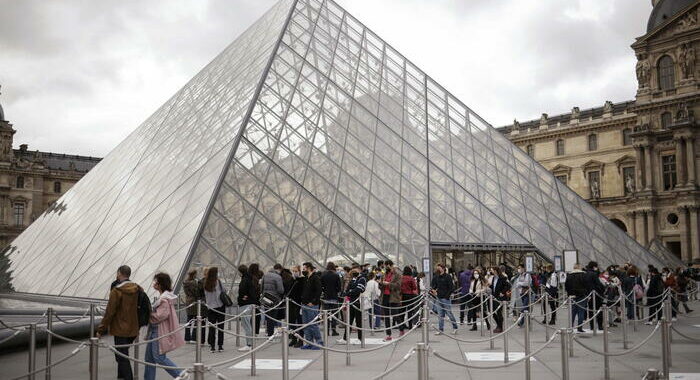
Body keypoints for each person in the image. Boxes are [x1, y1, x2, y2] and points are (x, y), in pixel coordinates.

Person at [97, 265, 141, 380]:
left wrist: (101, 329)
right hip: (133, 328)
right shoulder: (137, 288)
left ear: (119, 273)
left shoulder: (116, 291)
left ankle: (127, 378)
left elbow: (109, 312)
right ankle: (120, 377)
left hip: (120, 329)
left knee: (122, 357)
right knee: (122, 354)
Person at [144, 272, 185, 380]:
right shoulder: (165, 297)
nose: (154, 283)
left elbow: (160, 316)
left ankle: (180, 373)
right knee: (149, 359)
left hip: (158, 330)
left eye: (156, 281)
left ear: (160, 284)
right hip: (155, 330)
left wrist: (148, 314)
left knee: (159, 357)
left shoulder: (164, 299)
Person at [339, 267, 367, 343]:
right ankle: (345, 338)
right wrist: (350, 291)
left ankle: (360, 338)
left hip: (358, 303)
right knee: (349, 321)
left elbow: (359, 290)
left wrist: (350, 292)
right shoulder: (353, 280)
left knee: (359, 321)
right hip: (351, 302)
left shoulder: (362, 279)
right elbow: (348, 289)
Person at [300, 262, 323, 349]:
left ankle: (319, 342)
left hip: (312, 305)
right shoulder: (306, 278)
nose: (303, 270)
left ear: (309, 268)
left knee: (313, 324)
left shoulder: (315, 278)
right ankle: (309, 342)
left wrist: (313, 302)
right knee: (306, 324)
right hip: (304, 304)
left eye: (304, 268)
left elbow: (319, 291)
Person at [237, 264, 259, 352]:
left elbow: (242, 291)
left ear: (240, 272)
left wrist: (243, 297)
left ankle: (249, 344)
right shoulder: (250, 278)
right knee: (248, 324)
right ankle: (250, 343)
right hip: (250, 303)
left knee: (246, 324)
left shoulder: (244, 280)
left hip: (245, 304)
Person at [431, 263, 458, 335]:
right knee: (440, 315)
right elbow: (434, 285)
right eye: (437, 268)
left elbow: (451, 287)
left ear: (443, 268)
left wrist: (447, 296)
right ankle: (440, 329)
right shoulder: (436, 276)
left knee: (449, 313)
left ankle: (455, 327)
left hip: (445, 298)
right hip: (438, 298)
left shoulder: (448, 276)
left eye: (439, 268)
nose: (438, 269)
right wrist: (433, 290)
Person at [203, 266, 225, 352]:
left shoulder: (205, 283)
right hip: (220, 306)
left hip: (210, 308)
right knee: (220, 327)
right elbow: (223, 290)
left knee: (211, 327)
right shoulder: (218, 282)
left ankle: (212, 346)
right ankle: (220, 346)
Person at [380, 260, 402, 341]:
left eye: (387, 265)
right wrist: (381, 283)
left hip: (393, 296)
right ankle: (388, 334)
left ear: (391, 265)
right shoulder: (384, 274)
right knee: (386, 316)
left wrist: (388, 284)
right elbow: (381, 286)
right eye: (385, 266)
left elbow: (398, 286)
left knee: (394, 314)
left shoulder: (397, 275)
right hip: (385, 296)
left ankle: (401, 328)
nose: (386, 267)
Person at [565, 263, 590, 333]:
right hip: (582, 295)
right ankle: (580, 327)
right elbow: (587, 285)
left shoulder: (569, 275)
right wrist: (587, 294)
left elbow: (566, 285)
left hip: (572, 295)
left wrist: (569, 293)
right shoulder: (584, 275)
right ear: (580, 267)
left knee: (573, 311)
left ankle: (571, 326)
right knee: (581, 312)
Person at [182, 269, 205, 344]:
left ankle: (187, 338)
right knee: (195, 320)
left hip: (188, 301)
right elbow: (197, 292)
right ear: (194, 274)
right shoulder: (194, 283)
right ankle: (193, 337)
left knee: (189, 320)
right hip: (194, 302)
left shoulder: (185, 282)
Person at [262, 264, 285, 336]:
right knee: (273, 317)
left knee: (268, 316)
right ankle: (271, 333)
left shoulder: (265, 275)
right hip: (274, 299)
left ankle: (269, 333)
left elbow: (261, 287)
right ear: (279, 269)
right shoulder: (278, 277)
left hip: (266, 298)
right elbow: (281, 290)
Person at [321, 262, 342, 336]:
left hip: (325, 297)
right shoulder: (336, 275)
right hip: (334, 297)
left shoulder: (323, 275)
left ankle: (326, 331)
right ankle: (333, 330)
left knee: (326, 314)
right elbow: (339, 288)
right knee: (334, 314)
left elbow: (321, 286)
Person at [288, 265, 305, 348]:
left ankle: (300, 339)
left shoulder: (302, 280)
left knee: (300, 322)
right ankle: (294, 338)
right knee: (291, 322)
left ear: (299, 271)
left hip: (299, 304)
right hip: (291, 303)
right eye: (293, 271)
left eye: (296, 271)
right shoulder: (292, 280)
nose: (294, 273)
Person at [489, 266, 510, 333]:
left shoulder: (503, 278)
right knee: (491, 311)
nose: (491, 271)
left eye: (492, 270)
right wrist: (489, 285)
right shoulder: (493, 278)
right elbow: (494, 287)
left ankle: (500, 327)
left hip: (500, 298)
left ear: (495, 271)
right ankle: (498, 324)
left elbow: (508, 286)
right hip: (494, 297)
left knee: (498, 312)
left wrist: (503, 292)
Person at [399, 266, 418, 334]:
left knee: (402, 311)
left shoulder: (401, 278)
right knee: (410, 311)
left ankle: (402, 325)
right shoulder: (411, 278)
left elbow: (399, 286)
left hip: (402, 296)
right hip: (410, 295)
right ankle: (410, 325)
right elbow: (414, 287)